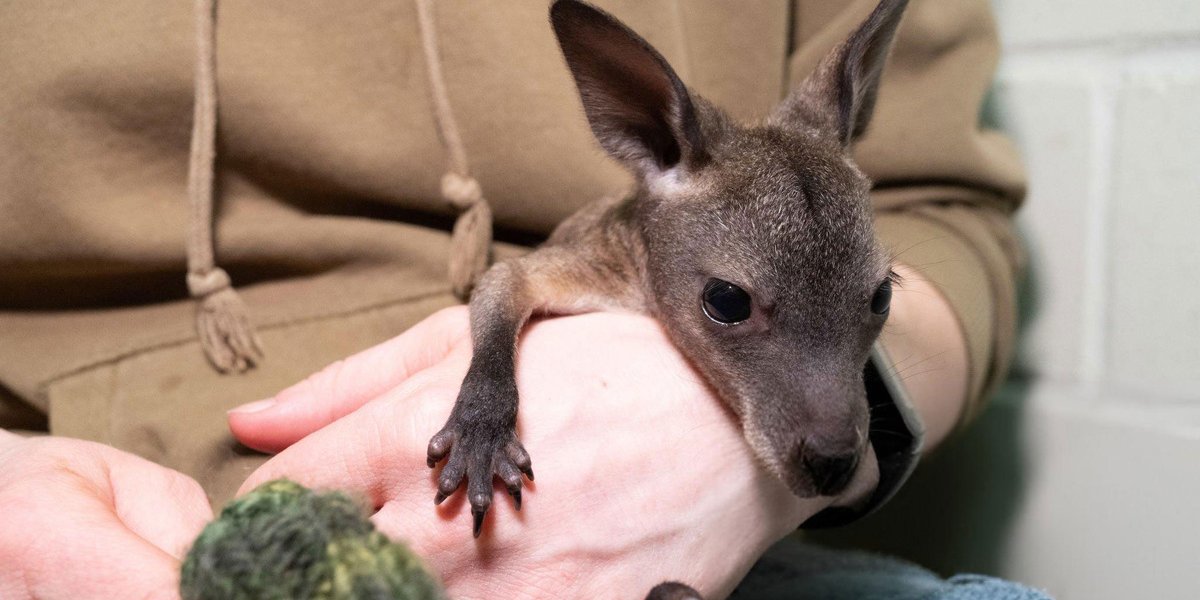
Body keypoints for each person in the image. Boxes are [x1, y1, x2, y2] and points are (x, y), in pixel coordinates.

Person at [0, 0, 1023, 597]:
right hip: (125, 513)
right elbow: (514, 286)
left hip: (696, 546)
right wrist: (489, 400)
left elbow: (948, 213)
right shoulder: (634, 233)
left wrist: (727, 460)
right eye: (731, 307)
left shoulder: (797, 214)